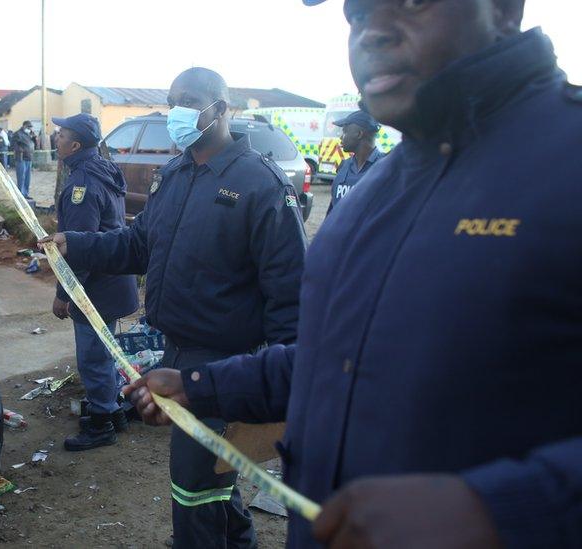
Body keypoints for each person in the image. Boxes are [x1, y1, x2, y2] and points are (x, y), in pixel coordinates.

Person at [124, 1, 582, 548]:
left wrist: (501, 511)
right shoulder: (378, 190)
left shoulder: (566, 162)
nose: (373, 33)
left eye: (412, 3)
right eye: (358, 12)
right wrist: (204, 386)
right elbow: (332, 360)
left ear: (503, 9)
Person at [42, 67, 307, 548]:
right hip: (175, 352)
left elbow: (290, 294)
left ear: (222, 110)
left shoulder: (260, 185)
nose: (176, 111)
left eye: (188, 100)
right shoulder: (176, 174)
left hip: (226, 362)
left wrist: (280, 385)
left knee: (193, 488)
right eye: (171, 101)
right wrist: (73, 243)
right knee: (209, 482)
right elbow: (138, 245)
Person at [50, 113, 139, 451]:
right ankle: (113, 411)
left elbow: (80, 247)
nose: (55, 139)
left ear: (74, 145)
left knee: (93, 356)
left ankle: (101, 423)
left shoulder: (81, 185)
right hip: (115, 278)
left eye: (61, 135)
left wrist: (63, 294)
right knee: (105, 351)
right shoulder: (103, 168)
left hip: (96, 288)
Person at [326, 110, 384, 215]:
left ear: (359, 134)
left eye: (345, 131)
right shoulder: (344, 166)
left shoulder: (386, 168)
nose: (340, 137)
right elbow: (332, 211)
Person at [12, 121, 36, 198]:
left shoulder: (29, 134)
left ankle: (26, 193)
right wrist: (20, 149)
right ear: (24, 126)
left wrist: (34, 137)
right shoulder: (17, 133)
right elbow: (13, 144)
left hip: (29, 157)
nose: (29, 128)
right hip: (21, 158)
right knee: (21, 177)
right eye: (28, 127)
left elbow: (33, 143)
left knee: (27, 177)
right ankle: (20, 194)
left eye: (30, 127)